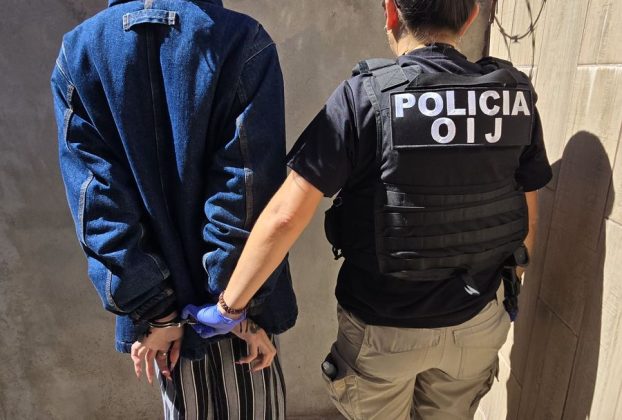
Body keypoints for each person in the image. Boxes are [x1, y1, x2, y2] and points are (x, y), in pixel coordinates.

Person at [189, 0, 553, 419]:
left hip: (384, 331)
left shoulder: (364, 97)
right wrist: (509, 287)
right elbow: (528, 212)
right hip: (478, 323)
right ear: (470, 16)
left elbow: (285, 216)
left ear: (391, 12)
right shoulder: (511, 95)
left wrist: (229, 308)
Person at [51, 0, 297, 418]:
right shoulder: (241, 40)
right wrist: (237, 310)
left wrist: (157, 311)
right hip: (235, 316)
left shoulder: (80, 52)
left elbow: (97, 207)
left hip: (163, 331)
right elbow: (246, 190)